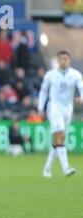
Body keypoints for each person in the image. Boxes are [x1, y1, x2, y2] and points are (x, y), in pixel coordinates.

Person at [38, 50, 83, 178]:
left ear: (70, 60)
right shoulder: (50, 75)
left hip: (68, 110)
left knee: (58, 140)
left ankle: (47, 168)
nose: (63, 61)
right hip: (54, 108)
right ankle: (66, 168)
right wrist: (41, 108)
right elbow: (43, 91)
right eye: (61, 58)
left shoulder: (76, 75)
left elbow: (81, 88)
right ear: (57, 60)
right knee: (60, 134)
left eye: (65, 59)